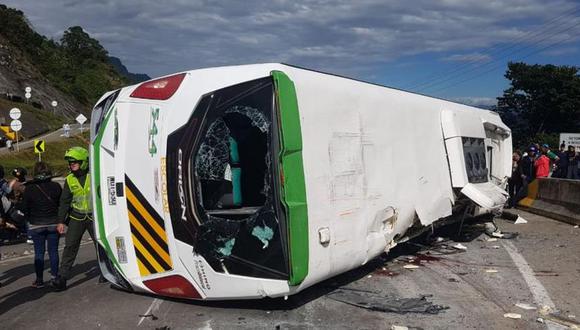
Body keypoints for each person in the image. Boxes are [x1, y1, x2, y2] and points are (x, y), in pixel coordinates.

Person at [53, 147, 102, 290]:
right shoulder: (69, 179)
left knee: (100, 245)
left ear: (84, 162)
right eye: (70, 162)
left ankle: (108, 271)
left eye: (74, 162)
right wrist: (61, 221)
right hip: (77, 217)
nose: (71, 165)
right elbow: (65, 201)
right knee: (70, 246)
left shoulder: (94, 175)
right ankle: (61, 278)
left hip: (94, 217)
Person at [19, 162, 62, 288]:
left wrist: (29, 219)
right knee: (53, 251)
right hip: (53, 222)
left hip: (36, 223)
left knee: (39, 253)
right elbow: (61, 204)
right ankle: (54, 277)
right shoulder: (56, 186)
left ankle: (39, 280)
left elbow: (24, 207)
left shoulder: (30, 189)